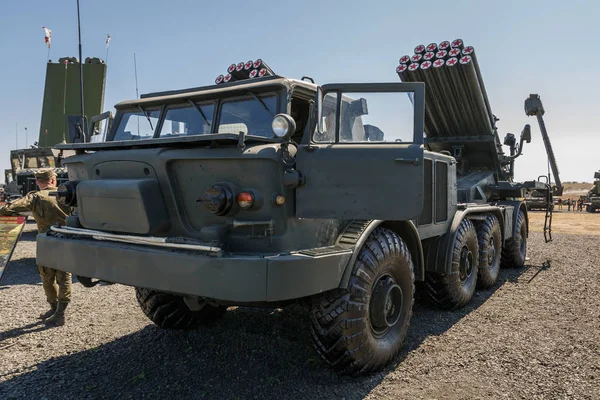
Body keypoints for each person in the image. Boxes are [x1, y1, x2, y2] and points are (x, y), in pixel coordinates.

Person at [0, 169, 72, 325]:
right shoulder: (67, 195)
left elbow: (8, 208)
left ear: (38, 181)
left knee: (47, 276)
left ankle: (54, 308)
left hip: (46, 243)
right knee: (64, 276)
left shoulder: (34, 197)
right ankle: (60, 312)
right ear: (53, 180)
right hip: (66, 241)